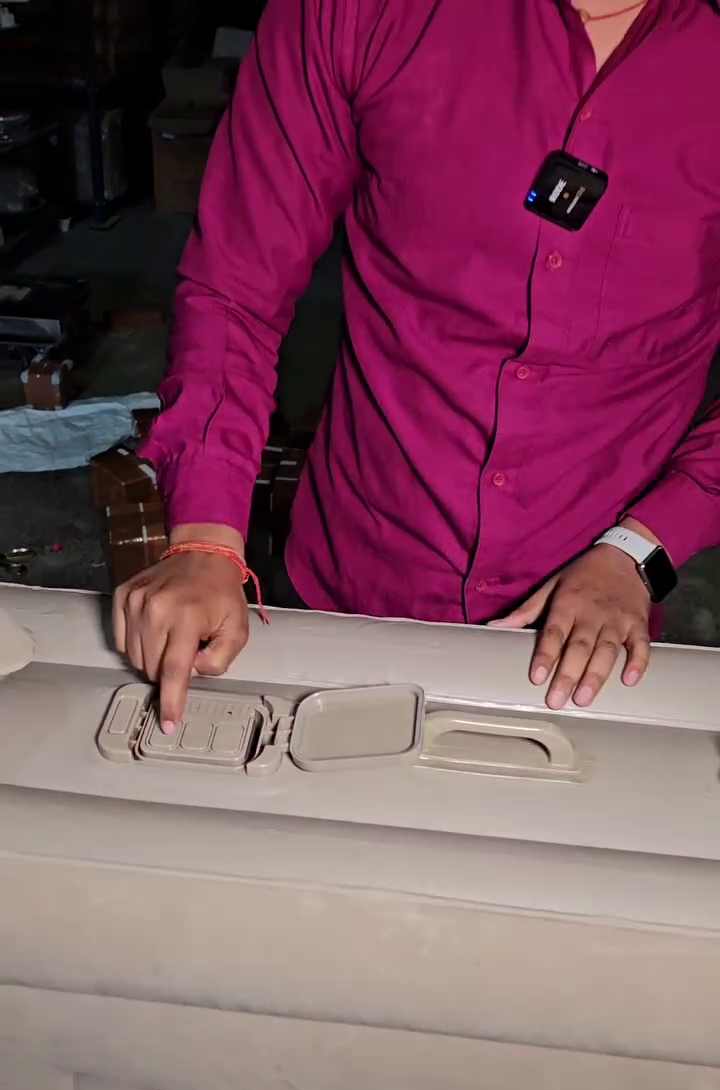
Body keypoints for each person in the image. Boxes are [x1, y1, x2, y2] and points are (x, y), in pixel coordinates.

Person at [114, 0, 720, 733]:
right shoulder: (359, 11)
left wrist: (639, 551)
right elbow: (237, 285)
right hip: (355, 579)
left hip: (596, 620)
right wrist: (206, 538)